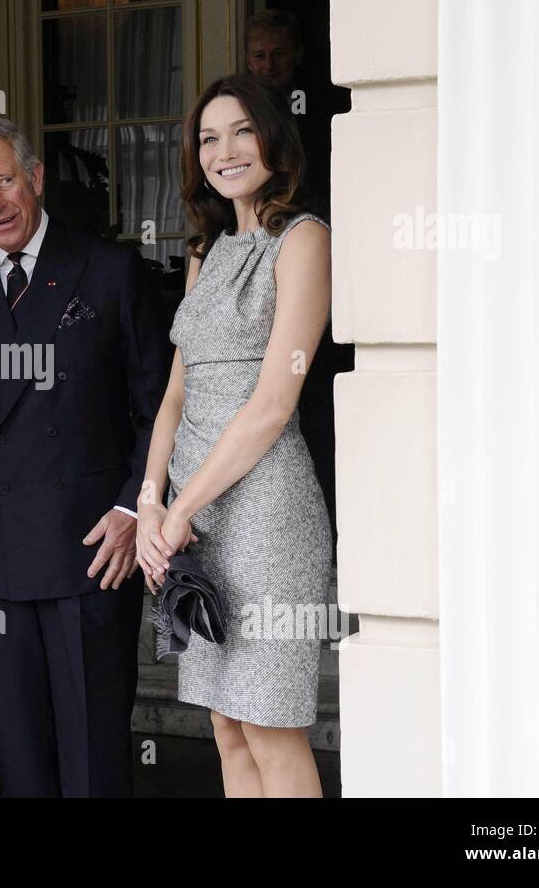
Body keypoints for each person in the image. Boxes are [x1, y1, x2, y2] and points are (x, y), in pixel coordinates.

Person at [0, 117, 169, 797]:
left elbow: (161, 409)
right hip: (3, 553)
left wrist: (134, 505)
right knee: (20, 757)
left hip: (93, 548)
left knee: (93, 758)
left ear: (35, 178)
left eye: (6, 180)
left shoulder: (109, 269)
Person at [135, 74, 333, 798]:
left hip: (268, 513)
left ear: (274, 139)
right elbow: (175, 397)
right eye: (208, 138)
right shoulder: (206, 250)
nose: (223, 151)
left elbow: (273, 404)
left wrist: (179, 511)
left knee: (271, 726)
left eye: (241, 131)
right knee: (225, 724)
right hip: (195, 513)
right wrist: (152, 502)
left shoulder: (305, 240)